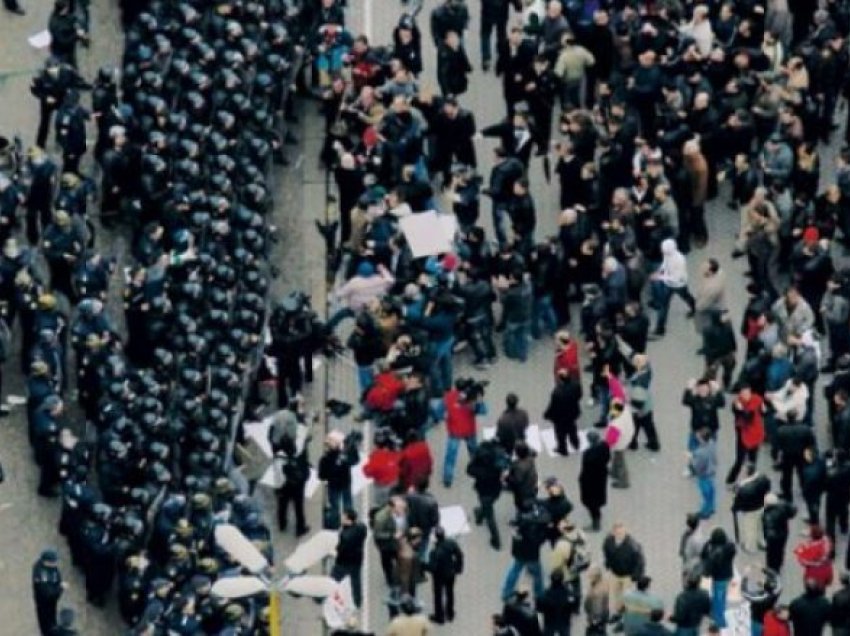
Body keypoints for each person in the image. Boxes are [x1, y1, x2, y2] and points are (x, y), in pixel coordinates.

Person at [501, 499, 550, 601]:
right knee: (537, 574)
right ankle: (539, 594)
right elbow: (537, 540)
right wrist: (544, 536)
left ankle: (506, 592)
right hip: (530, 554)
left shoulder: (520, 519)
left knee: (515, 570)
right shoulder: (531, 525)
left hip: (519, 550)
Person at [468, 435, 509, 550]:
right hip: (496, 489)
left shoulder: (480, 465)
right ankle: (480, 515)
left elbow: (469, 470)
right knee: (487, 506)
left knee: (490, 516)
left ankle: (496, 540)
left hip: (484, 491)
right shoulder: (499, 459)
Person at [442, 379, 485, 487]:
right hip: (469, 430)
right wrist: (479, 400)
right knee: (474, 452)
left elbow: (440, 412)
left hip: (454, 431)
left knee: (450, 456)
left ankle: (448, 478)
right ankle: (478, 472)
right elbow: (483, 410)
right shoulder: (471, 398)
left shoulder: (448, 397)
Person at [649, 238, 696, 338]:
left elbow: (676, 277)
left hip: (679, 284)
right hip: (668, 283)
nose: (663, 252)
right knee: (664, 306)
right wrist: (660, 271)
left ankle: (695, 308)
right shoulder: (667, 254)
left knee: (686, 296)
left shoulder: (680, 259)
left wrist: (660, 277)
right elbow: (665, 263)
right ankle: (660, 329)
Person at [603, 523, 645, 625]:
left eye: (622, 532)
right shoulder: (608, 542)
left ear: (625, 532)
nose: (620, 534)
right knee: (615, 595)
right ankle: (617, 614)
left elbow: (640, 561)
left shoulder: (633, 545)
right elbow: (607, 553)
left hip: (627, 576)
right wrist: (608, 565)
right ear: (613, 532)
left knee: (627, 597)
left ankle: (626, 618)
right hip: (615, 574)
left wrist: (635, 576)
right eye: (617, 532)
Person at [726, 385, 765, 485]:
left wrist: (742, 409)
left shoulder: (756, 400)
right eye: (743, 393)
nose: (745, 395)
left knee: (753, 459)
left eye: (747, 392)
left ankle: (750, 478)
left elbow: (759, 412)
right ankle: (731, 480)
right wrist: (740, 409)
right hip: (743, 433)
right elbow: (746, 418)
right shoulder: (737, 403)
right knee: (740, 459)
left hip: (755, 433)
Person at [426, 526, 463, 624]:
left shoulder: (434, 552)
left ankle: (439, 617)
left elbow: (432, 567)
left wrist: (423, 566)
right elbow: (460, 554)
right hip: (451, 573)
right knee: (450, 593)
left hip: (439, 577)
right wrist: (458, 568)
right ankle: (450, 613)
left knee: (438, 596)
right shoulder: (451, 543)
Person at [701, 528, 736, 629]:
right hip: (726, 574)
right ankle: (718, 618)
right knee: (721, 596)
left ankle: (717, 617)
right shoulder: (729, 547)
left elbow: (703, 555)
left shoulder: (711, 548)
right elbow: (733, 549)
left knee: (718, 596)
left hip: (717, 576)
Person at [731, 464, 771, 552]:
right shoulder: (763, 478)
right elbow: (768, 489)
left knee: (750, 528)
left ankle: (750, 547)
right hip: (761, 506)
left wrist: (735, 508)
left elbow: (738, 501)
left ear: (746, 473)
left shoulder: (743, 488)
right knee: (760, 525)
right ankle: (762, 542)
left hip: (750, 510)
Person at [332, 509, 367, 608]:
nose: (341, 518)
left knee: (334, 579)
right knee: (355, 580)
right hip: (357, 560)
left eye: (343, 517)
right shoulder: (361, 528)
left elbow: (340, 549)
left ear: (348, 520)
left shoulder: (345, 536)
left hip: (344, 562)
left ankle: (325, 596)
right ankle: (357, 600)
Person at [544, 369, 581, 455]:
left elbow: (553, 406)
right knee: (572, 429)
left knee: (560, 433)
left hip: (560, 416)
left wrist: (547, 414)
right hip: (572, 412)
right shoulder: (576, 385)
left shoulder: (557, 392)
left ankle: (563, 449)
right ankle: (576, 444)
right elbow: (579, 396)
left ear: (560, 379)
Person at [579, 430, 610, 531]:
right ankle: (597, 515)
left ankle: (596, 524)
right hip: (601, 477)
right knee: (597, 500)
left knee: (592, 504)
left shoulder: (588, 454)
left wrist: (581, 480)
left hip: (591, 482)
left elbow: (585, 470)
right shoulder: (605, 446)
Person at [762, 492, 797, 573]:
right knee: (780, 549)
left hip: (773, 537)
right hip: (784, 532)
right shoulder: (783, 504)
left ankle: (771, 569)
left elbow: (768, 529)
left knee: (771, 553)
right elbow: (793, 511)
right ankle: (779, 564)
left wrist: (766, 539)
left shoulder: (768, 515)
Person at [32, 549, 64, 636]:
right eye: (53, 562)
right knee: (45, 620)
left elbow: (57, 575)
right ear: (46, 562)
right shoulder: (41, 575)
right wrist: (60, 588)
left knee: (52, 616)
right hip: (44, 603)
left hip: (51, 602)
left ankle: (52, 627)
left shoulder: (49, 568)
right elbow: (48, 593)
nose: (55, 564)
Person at [669, 571, 711, 636]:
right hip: (696, 624)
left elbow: (680, 617)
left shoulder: (682, 597)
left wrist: (671, 618)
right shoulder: (704, 594)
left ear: (687, 583)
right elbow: (707, 610)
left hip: (684, 627)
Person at [536, 569, 576, 636]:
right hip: (564, 622)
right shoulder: (568, 593)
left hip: (549, 622)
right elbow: (573, 606)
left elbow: (539, 608)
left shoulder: (546, 594)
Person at [689, 427, 717, 520]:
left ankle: (705, 512)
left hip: (704, 475)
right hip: (711, 472)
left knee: (706, 494)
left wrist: (691, 460)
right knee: (712, 491)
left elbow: (697, 466)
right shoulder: (712, 444)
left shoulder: (701, 452)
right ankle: (712, 508)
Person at [794, 525, 834, 589]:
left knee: (812, 587)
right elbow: (823, 536)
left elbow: (801, 559)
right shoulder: (826, 542)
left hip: (813, 572)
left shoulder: (810, 548)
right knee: (822, 586)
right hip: (825, 569)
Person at [496, 392, 530, 456]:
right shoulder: (523, 413)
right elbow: (526, 425)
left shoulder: (503, 418)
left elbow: (499, 434)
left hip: (508, 444)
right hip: (521, 440)